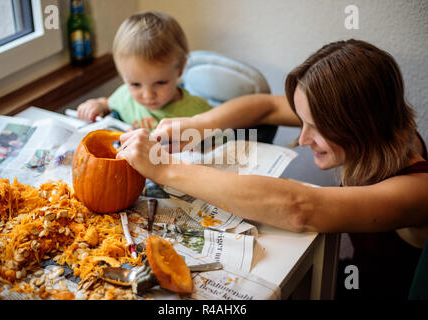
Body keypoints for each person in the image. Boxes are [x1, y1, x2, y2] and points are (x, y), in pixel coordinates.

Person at [116, 39, 428, 299]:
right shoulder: (389, 125)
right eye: (302, 122)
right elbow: (266, 107)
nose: (303, 139)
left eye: (317, 128)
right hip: (352, 272)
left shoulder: (417, 190)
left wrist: (166, 168)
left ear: (363, 125)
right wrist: (199, 125)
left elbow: (300, 208)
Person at [76, 11, 212, 130]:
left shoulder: (198, 112)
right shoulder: (124, 97)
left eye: (160, 82)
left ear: (180, 69)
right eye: (135, 84)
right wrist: (97, 105)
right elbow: (107, 104)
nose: (147, 95)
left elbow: (223, 140)